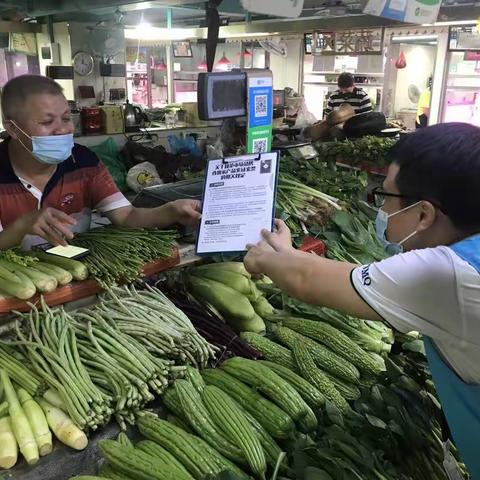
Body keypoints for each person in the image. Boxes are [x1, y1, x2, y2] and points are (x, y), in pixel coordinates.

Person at [244, 122, 480, 478]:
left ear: (424, 214)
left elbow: (307, 281)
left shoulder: (444, 274)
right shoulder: (466, 256)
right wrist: (288, 253)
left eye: (385, 197)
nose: (382, 209)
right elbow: (343, 274)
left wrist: (264, 259)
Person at [0, 75, 201, 250]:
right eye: (46, 122)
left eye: (66, 118)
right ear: (13, 129)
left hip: (76, 277)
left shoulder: (84, 162)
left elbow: (125, 216)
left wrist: (170, 211)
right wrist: (22, 225)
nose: (62, 130)